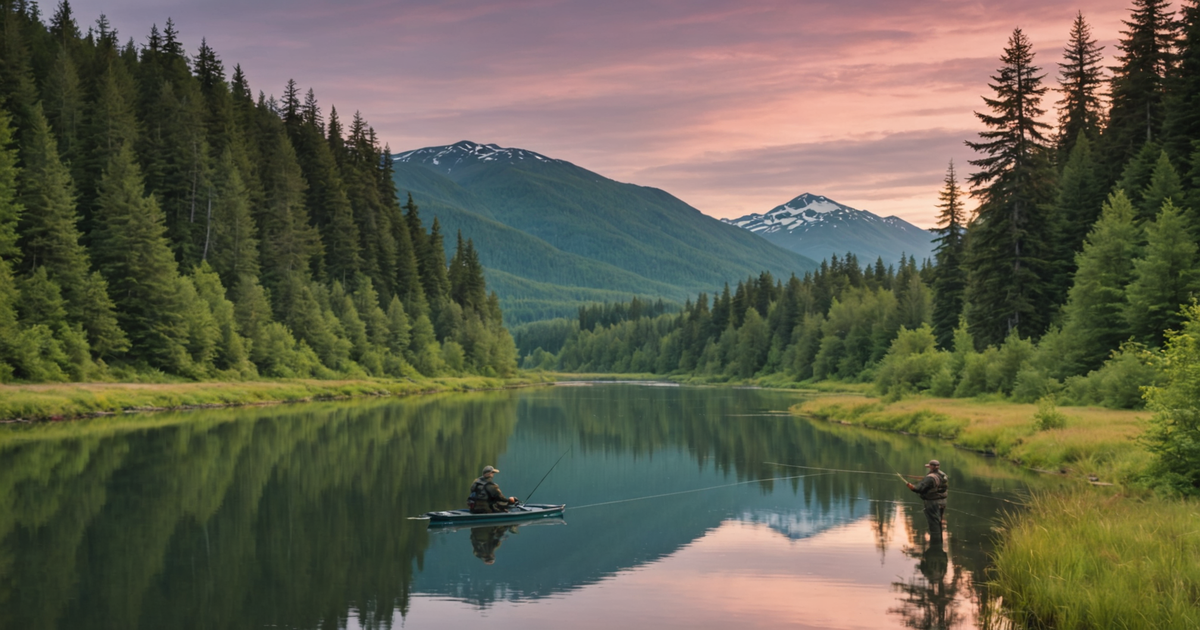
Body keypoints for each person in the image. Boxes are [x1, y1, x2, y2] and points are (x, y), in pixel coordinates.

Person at [907, 459, 948, 543]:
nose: (929, 468)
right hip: (943, 501)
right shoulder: (943, 475)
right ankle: (939, 542)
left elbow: (919, 489)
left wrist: (912, 487)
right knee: (938, 522)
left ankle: (935, 547)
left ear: (932, 467)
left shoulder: (930, 478)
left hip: (933, 503)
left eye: (929, 466)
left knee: (934, 523)